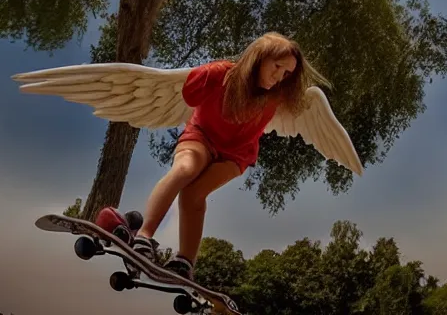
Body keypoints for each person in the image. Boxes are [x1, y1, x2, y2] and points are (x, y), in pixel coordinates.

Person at [96, 32, 331, 280]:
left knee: (194, 194)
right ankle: (144, 237)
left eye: (286, 73)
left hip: (236, 154)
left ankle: (185, 262)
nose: (279, 76)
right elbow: (189, 96)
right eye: (277, 66)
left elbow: (308, 107)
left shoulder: (279, 95)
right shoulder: (220, 74)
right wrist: (202, 77)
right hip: (201, 137)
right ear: (259, 57)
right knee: (185, 170)